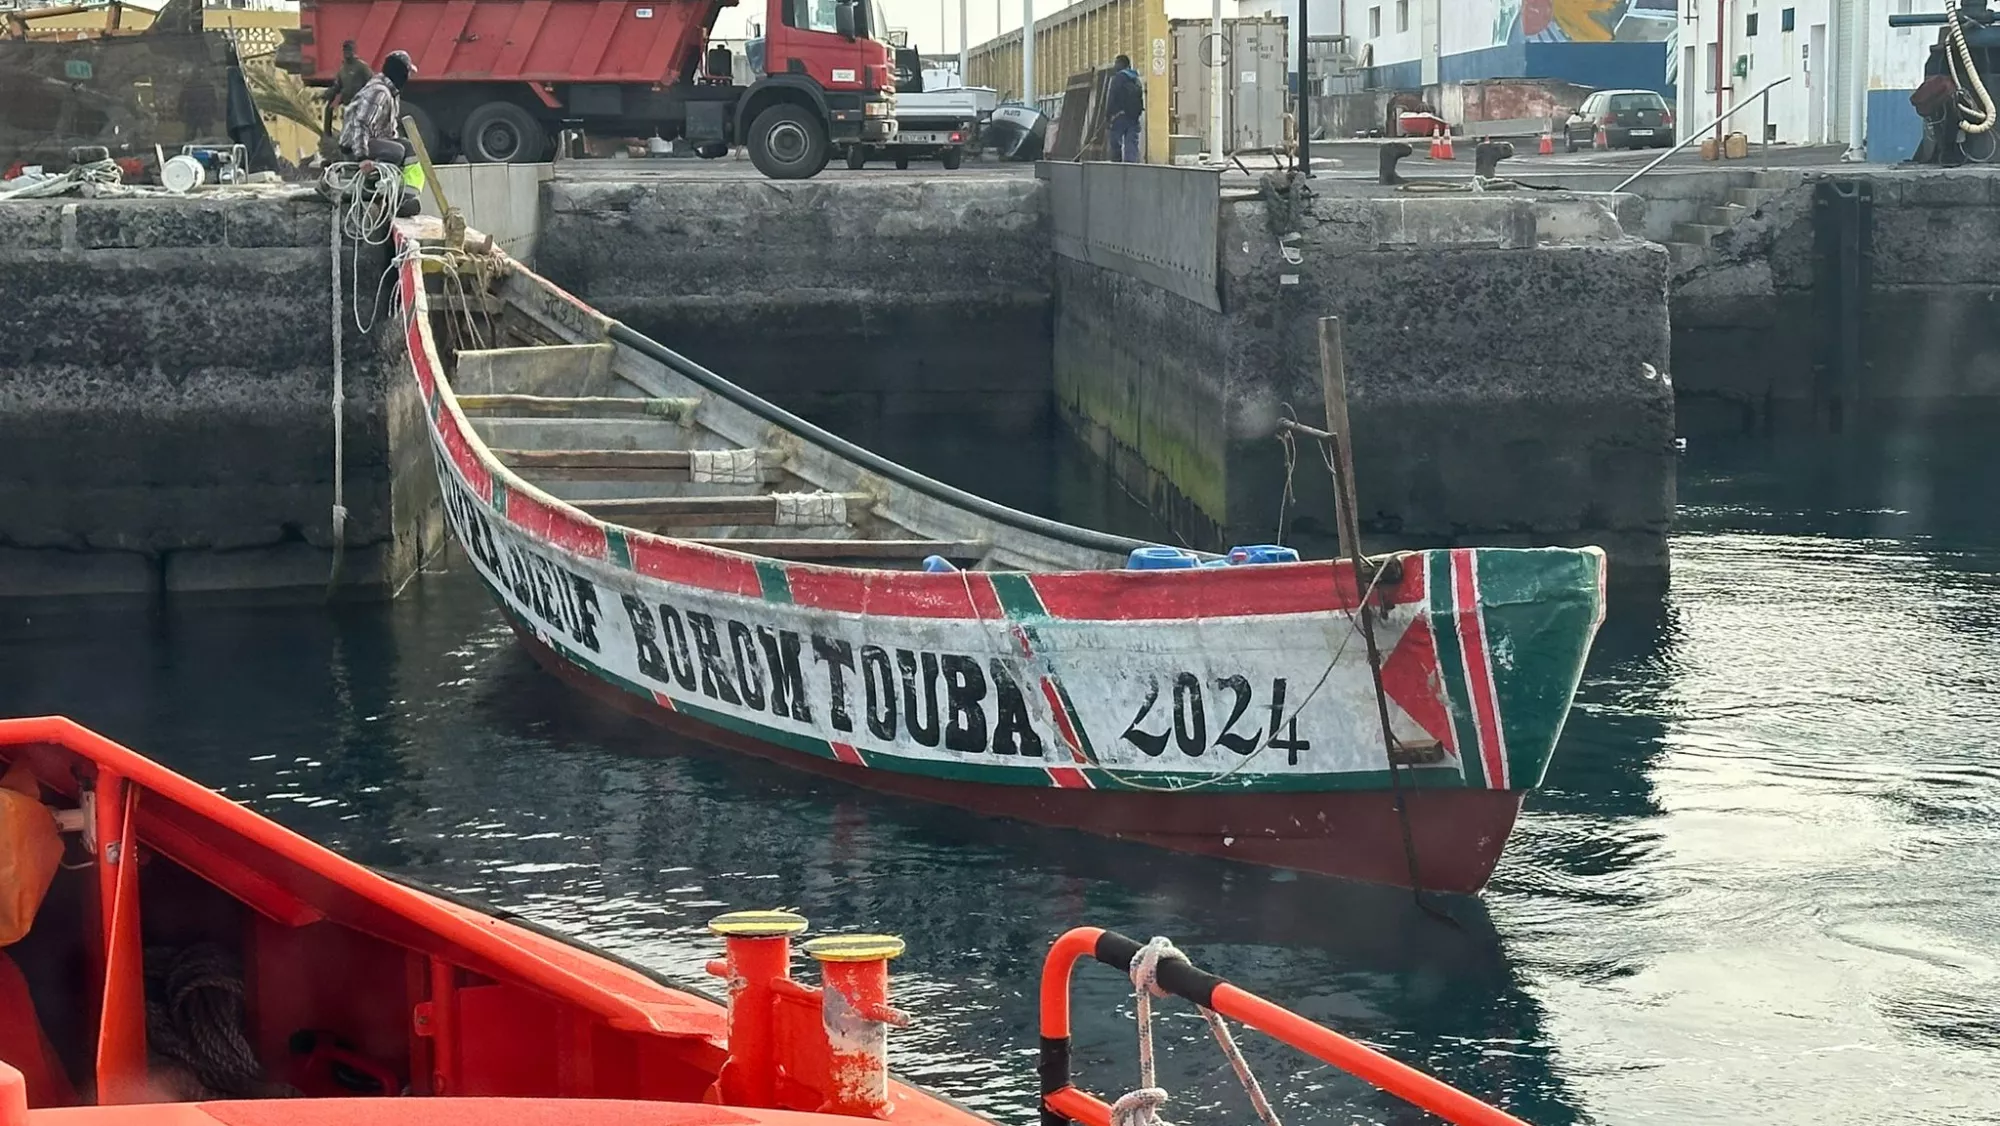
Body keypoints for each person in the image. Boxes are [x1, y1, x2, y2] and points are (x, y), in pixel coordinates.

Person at [339, 49, 422, 216]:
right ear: (400, 72)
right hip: (354, 144)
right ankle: (374, 188)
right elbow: (360, 123)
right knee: (397, 151)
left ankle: (405, 199)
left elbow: (389, 132)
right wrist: (362, 157)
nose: (408, 78)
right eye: (407, 73)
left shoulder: (390, 93)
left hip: (371, 140)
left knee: (408, 147)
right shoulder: (379, 92)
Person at [322, 40, 374, 139]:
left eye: (349, 50)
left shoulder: (361, 67)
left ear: (354, 51)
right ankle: (327, 134)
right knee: (329, 107)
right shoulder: (343, 69)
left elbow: (372, 82)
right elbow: (337, 86)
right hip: (346, 98)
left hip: (359, 100)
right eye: (345, 50)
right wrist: (328, 93)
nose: (347, 53)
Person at [1105, 54, 1143, 163]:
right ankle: (1131, 167)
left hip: (1119, 117)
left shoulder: (1118, 78)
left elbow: (1112, 97)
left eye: (1116, 63)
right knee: (1131, 144)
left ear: (1121, 64)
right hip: (1133, 117)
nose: (1115, 65)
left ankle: (1117, 166)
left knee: (1115, 143)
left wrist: (1108, 115)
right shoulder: (1136, 78)